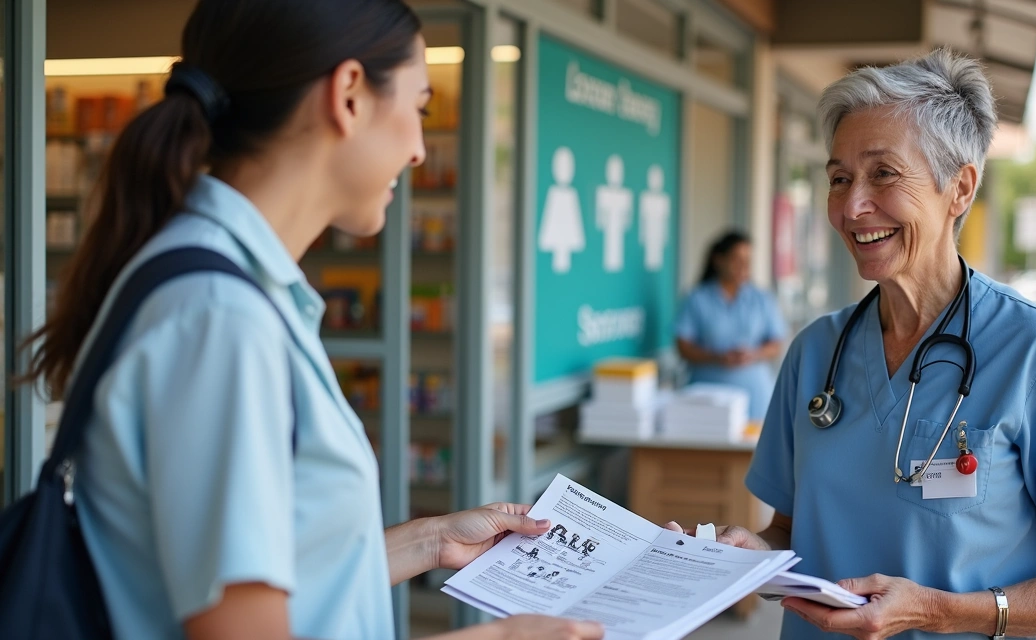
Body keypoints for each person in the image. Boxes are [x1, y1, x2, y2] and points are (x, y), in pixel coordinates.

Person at [20, 2, 602, 640]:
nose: (417, 150)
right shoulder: (221, 319)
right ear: (349, 95)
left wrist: (431, 541)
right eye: (420, 108)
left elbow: (281, 575)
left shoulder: (228, 291)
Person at [666, 49, 1036, 639]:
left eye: (883, 173)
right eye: (839, 178)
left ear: (960, 188)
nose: (851, 206)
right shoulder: (815, 353)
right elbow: (789, 531)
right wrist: (748, 553)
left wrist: (939, 612)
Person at [676, 231, 789, 420]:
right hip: (707, 396)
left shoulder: (761, 299)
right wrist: (717, 357)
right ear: (719, 260)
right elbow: (683, 347)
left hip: (755, 396)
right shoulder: (697, 298)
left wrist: (754, 354)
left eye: (748, 260)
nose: (744, 266)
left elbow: (777, 343)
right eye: (737, 259)